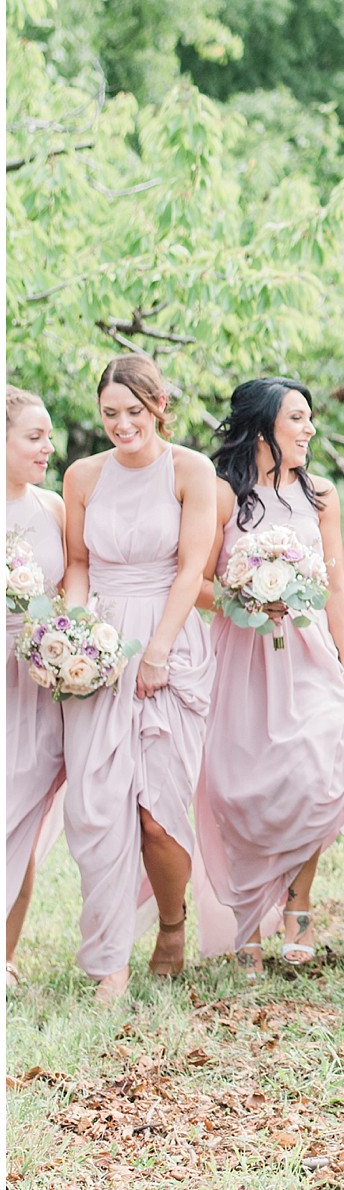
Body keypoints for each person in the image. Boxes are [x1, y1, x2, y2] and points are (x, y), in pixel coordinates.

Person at [59, 354, 216, 1002]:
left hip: (167, 638)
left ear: (159, 406)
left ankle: (173, 924)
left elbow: (190, 568)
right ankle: (109, 961)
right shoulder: (82, 475)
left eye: (134, 411)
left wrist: (157, 648)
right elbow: (75, 562)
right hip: (96, 648)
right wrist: (70, 632)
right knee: (98, 807)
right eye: (110, 414)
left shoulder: (189, 470)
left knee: (157, 811)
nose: (122, 424)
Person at [193, 379, 344, 976]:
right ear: (262, 425)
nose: (310, 428)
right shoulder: (221, 497)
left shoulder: (321, 496)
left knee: (321, 767)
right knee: (240, 790)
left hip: (311, 652)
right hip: (242, 655)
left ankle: (300, 901)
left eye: (310, 418)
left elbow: (336, 584)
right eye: (298, 418)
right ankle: (246, 926)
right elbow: (198, 584)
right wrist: (246, 595)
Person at [6, 386, 66, 988]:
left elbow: (72, 586)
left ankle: (6, 955)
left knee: (22, 814)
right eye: (34, 436)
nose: (49, 447)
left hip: (36, 676)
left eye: (48, 435)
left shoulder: (52, 508)